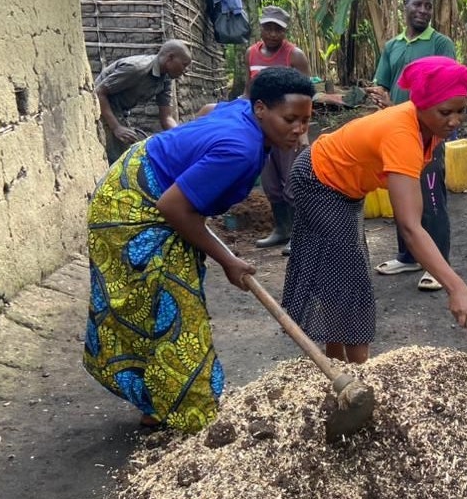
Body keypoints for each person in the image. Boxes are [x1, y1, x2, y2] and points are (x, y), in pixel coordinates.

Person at [83, 67, 315, 433]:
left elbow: (208, 109)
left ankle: (160, 405)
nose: (300, 130)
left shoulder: (240, 114)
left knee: (164, 301)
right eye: (290, 119)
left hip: (136, 173)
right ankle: (192, 414)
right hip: (130, 207)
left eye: (306, 121)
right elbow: (174, 208)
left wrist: (189, 151)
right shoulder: (240, 149)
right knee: (175, 306)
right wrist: (228, 260)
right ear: (259, 110)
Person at [282, 56, 467, 364]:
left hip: (342, 186)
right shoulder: (402, 134)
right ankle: (358, 371)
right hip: (318, 180)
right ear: (421, 105)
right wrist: (457, 287)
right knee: (351, 280)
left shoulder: (427, 129)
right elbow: (411, 228)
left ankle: (337, 367)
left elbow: (414, 200)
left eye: (461, 111)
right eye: (445, 112)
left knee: (341, 274)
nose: (454, 121)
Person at [366, 0, 458, 292]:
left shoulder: (441, 44)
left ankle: (439, 263)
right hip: (396, 134)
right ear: (404, 6)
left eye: (428, 6)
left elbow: (449, 90)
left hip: (428, 134)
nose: (422, 10)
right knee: (401, 196)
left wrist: (402, 106)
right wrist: (378, 94)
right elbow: (382, 82)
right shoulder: (393, 46)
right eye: (417, 4)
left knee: (432, 198)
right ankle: (408, 256)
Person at [248, 6, 316, 256]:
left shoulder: (294, 56)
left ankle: (299, 234)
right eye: (268, 28)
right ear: (261, 27)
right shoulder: (251, 54)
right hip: (263, 129)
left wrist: (303, 131)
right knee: (271, 182)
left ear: (285, 31)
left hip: (288, 128)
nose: (273, 34)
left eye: (278, 29)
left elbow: (307, 96)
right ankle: (281, 229)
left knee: (293, 181)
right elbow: (249, 93)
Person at [94, 40, 192, 164]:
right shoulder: (136, 69)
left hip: (119, 112)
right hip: (101, 108)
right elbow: (98, 92)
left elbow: (166, 118)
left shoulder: (165, 79)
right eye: (184, 64)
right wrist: (116, 127)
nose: (185, 70)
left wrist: (183, 138)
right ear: (170, 58)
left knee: (130, 156)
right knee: (117, 160)